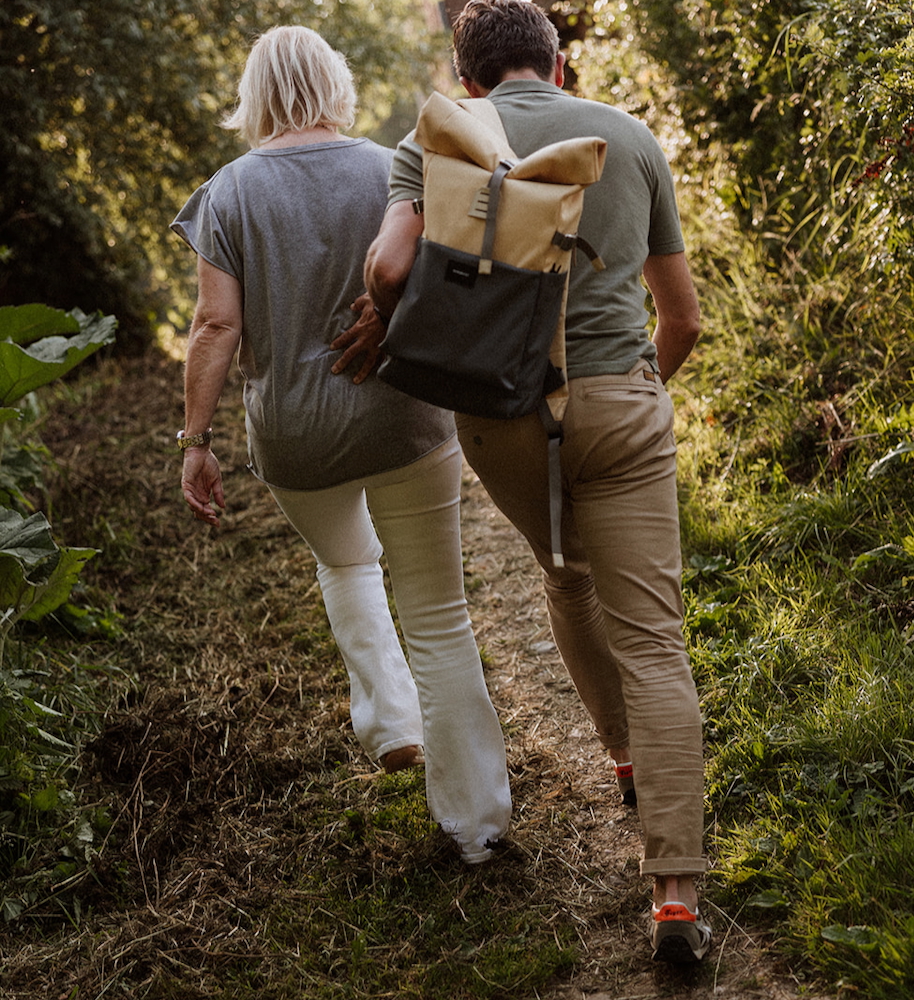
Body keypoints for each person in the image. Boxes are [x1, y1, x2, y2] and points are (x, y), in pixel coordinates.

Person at [365, 0, 710, 961]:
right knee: (657, 643)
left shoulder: (435, 140)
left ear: (468, 80)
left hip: (500, 413)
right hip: (620, 401)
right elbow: (683, 319)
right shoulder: (629, 138)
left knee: (565, 575)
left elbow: (388, 268)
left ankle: (622, 754)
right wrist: (634, 391)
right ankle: (676, 896)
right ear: (558, 66)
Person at [170, 24, 510, 864]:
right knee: (439, 615)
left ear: (254, 96)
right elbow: (449, 278)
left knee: (348, 563)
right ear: (335, 84)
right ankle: (475, 825)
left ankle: (391, 722)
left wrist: (196, 441)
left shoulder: (228, 193)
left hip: (296, 436)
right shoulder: (394, 168)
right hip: (407, 418)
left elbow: (215, 325)